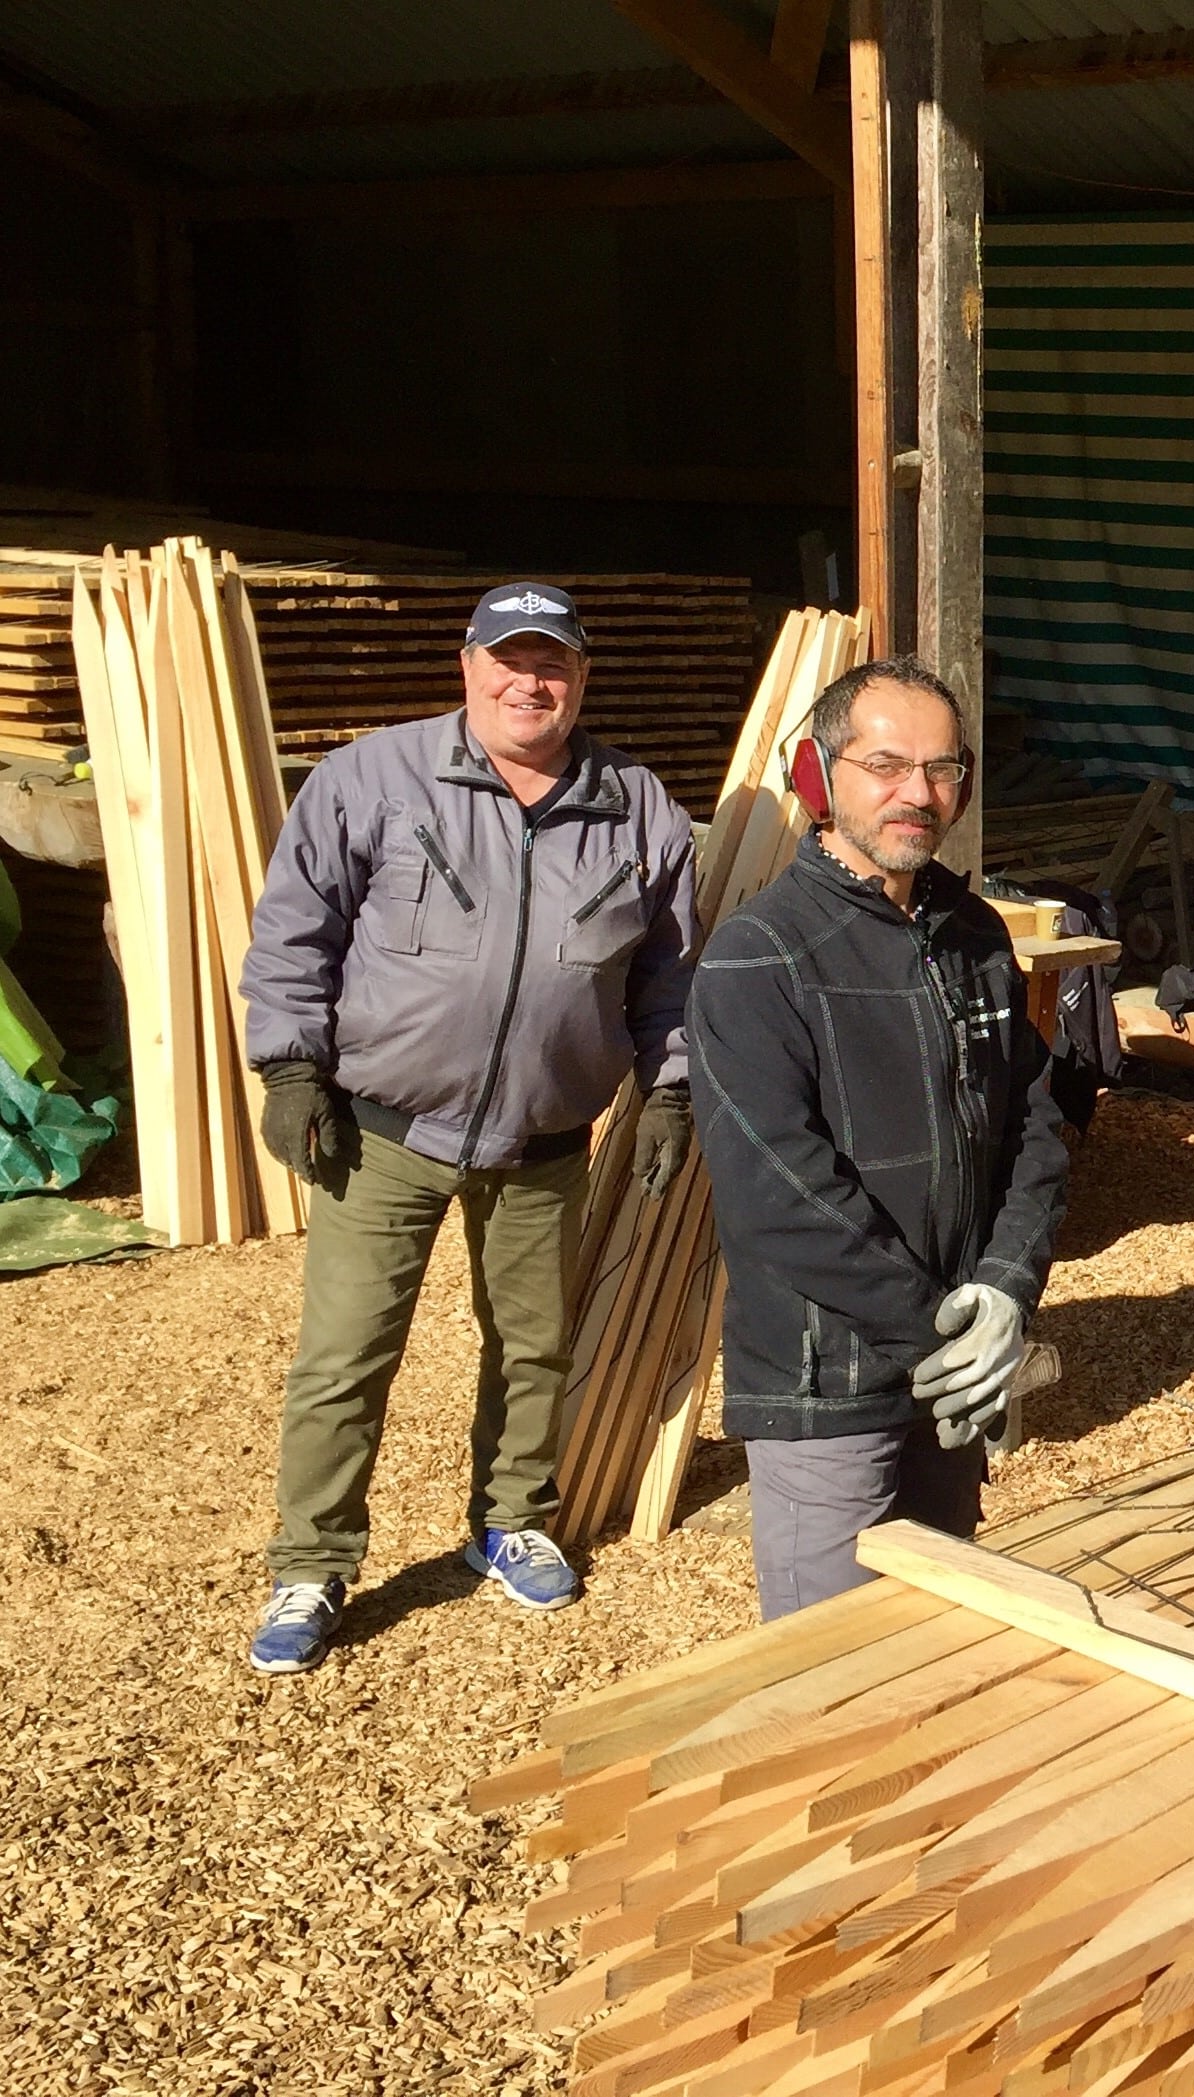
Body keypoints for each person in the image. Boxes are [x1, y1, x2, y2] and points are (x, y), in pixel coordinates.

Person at [240, 582, 700, 1673]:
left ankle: (510, 1520)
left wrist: (673, 1089)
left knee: (535, 1345)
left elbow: (671, 981)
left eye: (552, 665)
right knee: (347, 1356)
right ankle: (312, 1563)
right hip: (381, 1133)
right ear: (468, 664)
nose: (527, 682)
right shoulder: (373, 778)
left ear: (581, 680)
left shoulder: (638, 808)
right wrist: (291, 1066)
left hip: (543, 1142)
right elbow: (295, 932)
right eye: (509, 659)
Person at [687, 657, 1070, 1620]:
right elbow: (782, 1196)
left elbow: (1033, 1124)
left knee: (934, 1646)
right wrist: (944, 1328)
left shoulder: (974, 933)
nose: (918, 793)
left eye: (942, 770)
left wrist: (1007, 1288)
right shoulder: (757, 957)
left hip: (949, 1373)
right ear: (819, 778)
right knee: (830, 1671)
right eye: (886, 764)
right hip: (832, 1380)